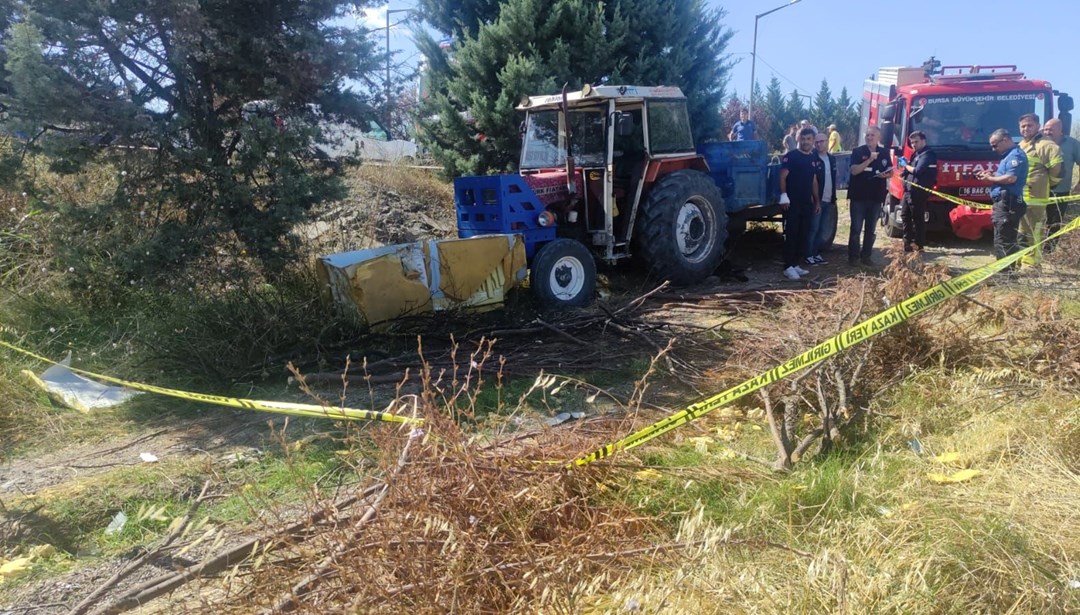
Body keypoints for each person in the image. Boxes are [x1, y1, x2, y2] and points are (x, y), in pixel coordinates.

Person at [977, 129, 1028, 268]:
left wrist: (990, 178)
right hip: (1005, 202)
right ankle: (1006, 271)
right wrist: (992, 173)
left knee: (1003, 240)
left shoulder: (1015, 156)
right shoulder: (1008, 156)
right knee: (1003, 237)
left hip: (1008, 204)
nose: (993, 149)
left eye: (995, 145)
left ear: (1005, 139)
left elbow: (1011, 178)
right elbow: (1006, 175)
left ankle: (1005, 274)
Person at [1016, 113, 1062, 266]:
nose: (1026, 129)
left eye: (1029, 125)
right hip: (1021, 196)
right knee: (1022, 231)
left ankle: (1032, 266)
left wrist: (1049, 184)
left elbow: (1057, 170)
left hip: (1035, 197)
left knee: (1033, 231)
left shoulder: (1046, 145)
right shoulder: (1023, 144)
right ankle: (1024, 261)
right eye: (1023, 126)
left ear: (1037, 126)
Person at [778, 127, 821, 280]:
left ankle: (795, 264)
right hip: (792, 203)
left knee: (803, 234)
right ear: (799, 140)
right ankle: (787, 267)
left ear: (813, 141)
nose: (805, 142)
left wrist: (817, 201)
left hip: (806, 204)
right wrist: (784, 195)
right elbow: (782, 176)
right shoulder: (791, 156)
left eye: (808, 139)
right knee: (792, 234)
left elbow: (814, 181)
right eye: (803, 139)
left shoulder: (812, 158)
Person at [847, 125, 892, 266]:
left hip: (876, 197)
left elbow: (890, 171)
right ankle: (853, 257)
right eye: (868, 135)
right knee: (856, 229)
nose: (869, 137)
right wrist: (869, 160)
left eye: (872, 135)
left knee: (871, 229)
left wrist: (887, 174)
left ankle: (866, 256)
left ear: (879, 138)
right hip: (858, 197)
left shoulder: (884, 152)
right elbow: (854, 171)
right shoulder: (858, 151)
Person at [1042, 118, 1080, 251]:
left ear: (1060, 129)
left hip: (1061, 191)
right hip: (1038, 190)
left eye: (1050, 129)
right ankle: (1033, 248)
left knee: (1055, 221)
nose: (1047, 131)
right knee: (1036, 221)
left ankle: (1049, 250)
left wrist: (1079, 184)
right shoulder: (1039, 143)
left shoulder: (1072, 144)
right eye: (1045, 129)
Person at [899, 130, 938, 252]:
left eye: (916, 142)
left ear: (923, 141)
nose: (914, 145)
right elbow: (909, 171)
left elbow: (918, 170)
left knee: (918, 218)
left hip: (918, 191)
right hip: (909, 190)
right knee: (904, 215)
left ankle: (919, 245)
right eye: (912, 142)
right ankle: (907, 243)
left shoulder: (928, 154)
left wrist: (905, 165)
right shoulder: (915, 154)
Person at [805, 131, 837, 265]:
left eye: (821, 141)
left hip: (829, 199)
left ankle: (815, 253)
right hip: (816, 201)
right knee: (813, 228)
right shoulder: (811, 158)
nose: (818, 144)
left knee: (823, 230)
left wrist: (834, 198)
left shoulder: (831, 158)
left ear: (827, 141)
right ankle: (808, 255)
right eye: (816, 142)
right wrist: (814, 199)